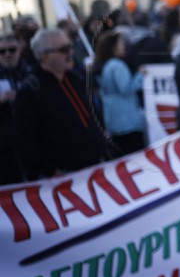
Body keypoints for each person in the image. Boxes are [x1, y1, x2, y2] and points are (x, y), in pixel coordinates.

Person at [13, 28, 108, 179]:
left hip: (95, 165)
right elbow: (24, 143)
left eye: (70, 46)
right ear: (45, 56)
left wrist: (101, 133)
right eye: (64, 49)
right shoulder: (31, 90)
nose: (70, 52)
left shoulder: (73, 77)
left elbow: (90, 110)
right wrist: (50, 171)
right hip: (64, 177)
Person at [95, 30, 146, 154]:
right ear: (113, 47)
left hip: (114, 121)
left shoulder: (105, 66)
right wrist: (140, 76)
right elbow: (126, 89)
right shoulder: (117, 66)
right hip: (127, 122)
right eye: (120, 43)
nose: (124, 45)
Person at [0, 33, 32, 185]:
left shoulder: (32, 72)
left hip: (33, 141)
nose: (7, 54)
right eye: (2, 51)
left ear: (19, 50)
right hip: (6, 148)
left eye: (11, 50)